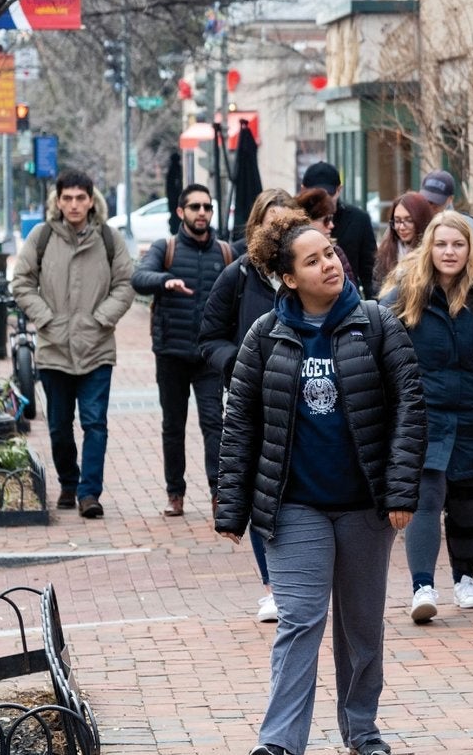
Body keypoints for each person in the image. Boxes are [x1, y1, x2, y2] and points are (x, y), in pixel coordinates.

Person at [215, 208, 424, 755]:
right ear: (288, 278)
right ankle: (280, 741)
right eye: (313, 260)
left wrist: (402, 491)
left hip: (365, 506)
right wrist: (232, 508)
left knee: (361, 630)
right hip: (293, 506)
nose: (330, 264)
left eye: (329, 252)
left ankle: (362, 730)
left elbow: (409, 408)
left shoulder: (378, 324)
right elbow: (241, 423)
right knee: (300, 621)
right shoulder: (265, 336)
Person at [380, 211, 473, 622]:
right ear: (429, 247)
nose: (449, 252)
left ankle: (465, 579)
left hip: (471, 416)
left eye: (458, 244)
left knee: (468, 503)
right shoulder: (404, 294)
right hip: (423, 417)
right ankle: (422, 586)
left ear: (470, 249)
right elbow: (377, 343)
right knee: (426, 498)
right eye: (442, 244)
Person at [12, 170, 134, 519]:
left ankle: (88, 493)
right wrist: (46, 318)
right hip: (54, 348)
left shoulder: (108, 238)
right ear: (58, 201)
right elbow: (21, 282)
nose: (74, 204)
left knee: (95, 423)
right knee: (59, 426)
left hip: (97, 347)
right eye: (68, 198)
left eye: (81, 198)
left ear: (91, 200)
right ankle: (68, 481)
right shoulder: (42, 236)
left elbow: (125, 284)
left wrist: (101, 318)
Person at [197, 187, 293, 623]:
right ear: (256, 226)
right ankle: (272, 586)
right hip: (251, 396)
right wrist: (236, 360)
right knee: (261, 488)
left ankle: (298, 578)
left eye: (284, 222)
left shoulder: (307, 271)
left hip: (301, 394)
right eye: (269, 222)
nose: (276, 230)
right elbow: (209, 336)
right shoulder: (237, 275)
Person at [132, 184, 234, 518]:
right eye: (195, 207)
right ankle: (175, 493)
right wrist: (165, 281)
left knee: (213, 423)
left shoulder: (225, 252)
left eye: (207, 207)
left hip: (208, 355)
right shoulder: (167, 247)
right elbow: (139, 277)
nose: (202, 212)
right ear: (181, 212)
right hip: (171, 352)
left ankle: (220, 494)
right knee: (173, 425)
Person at [301, 161, 377, 299]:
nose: (323, 199)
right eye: (315, 194)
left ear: (339, 190)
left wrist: (374, 312)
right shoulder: (293, 225)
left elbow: (370, 273)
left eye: (328, 193)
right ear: (303, 190)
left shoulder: (359, 219)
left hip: (348, 300)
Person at [296, 187, 359, 288]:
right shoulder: (292, 254)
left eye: (329, 254)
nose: (331, 225)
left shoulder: (336, 250)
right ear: (307, 221)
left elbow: (351, 291)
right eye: (326, 220)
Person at [373, 191, 432, 289]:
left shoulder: (432, 252)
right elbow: (376, 290)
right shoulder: (385, 253)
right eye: (397, 221)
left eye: (409, 220)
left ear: (421, 220)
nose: (401, 227)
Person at [418, 168, 473, 249]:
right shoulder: (414, 222)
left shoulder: (468, 227)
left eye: (435, 203)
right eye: (426, 201)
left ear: (450, 199)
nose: (430, 206)